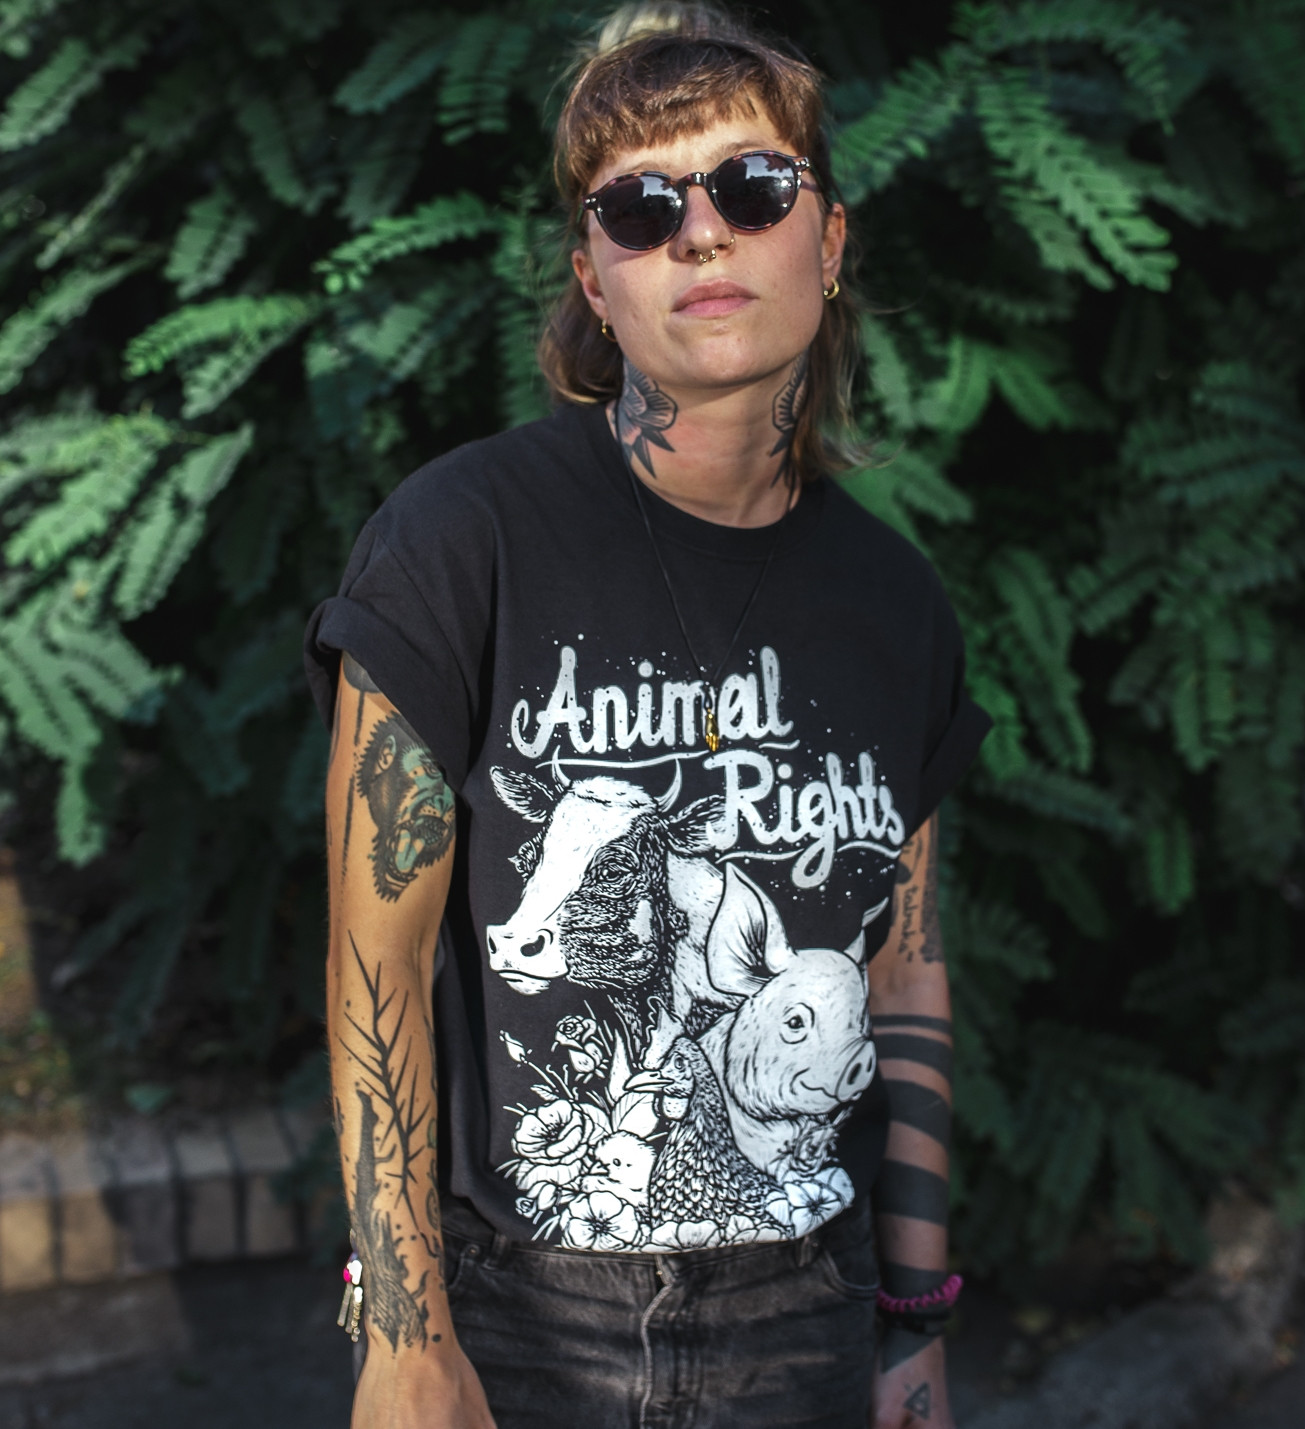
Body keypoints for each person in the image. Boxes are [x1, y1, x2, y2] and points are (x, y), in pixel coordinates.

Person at [305, 5, 990, 1426]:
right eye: (640, 207)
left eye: (751, 187)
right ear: (594, 281)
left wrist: (912, 1319)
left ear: (829, 241)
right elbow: (379, 960)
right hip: (514, 1312)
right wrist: (406, 1337)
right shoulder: (458, 543)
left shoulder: (897, 606)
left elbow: (903, 976)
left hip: (804, 1312)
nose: (701, 232)